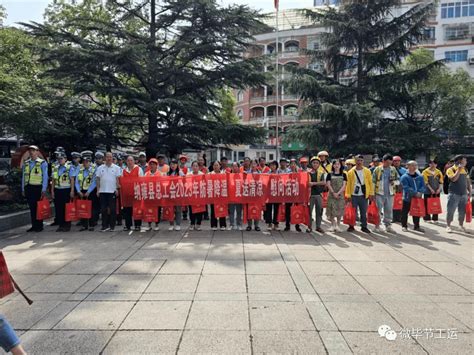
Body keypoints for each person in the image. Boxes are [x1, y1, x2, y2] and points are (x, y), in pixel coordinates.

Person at [22, 145, 48, 232]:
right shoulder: (26, 163)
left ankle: (39, 226)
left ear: (37, 152)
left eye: (33, 150)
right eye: (30, 150)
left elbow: (45, 177)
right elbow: (23, 177)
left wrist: (44, 189)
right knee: (32, 207)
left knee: (38, 207)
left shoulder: (42, 163)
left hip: (38, 187)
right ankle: (34, 225)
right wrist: (23, 188)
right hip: (29, 187)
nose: (31, 152)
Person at [345, 154, 374, 234]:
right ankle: (351, 226)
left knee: (363, 212)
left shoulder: (367, 171)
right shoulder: (351, 172)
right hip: (353, 195)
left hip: (364, 195)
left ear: (363, 161)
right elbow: (348, 184)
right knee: (352, 211)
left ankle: (364, 226)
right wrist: (348, 195)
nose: (359, 162)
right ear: (355, 161)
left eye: (361, 160)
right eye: (357, 160)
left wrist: (371, 193)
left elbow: (370, 183)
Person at [95, 152, 122, 232]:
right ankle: (104, 226)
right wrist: (97, 190)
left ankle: (112, 226)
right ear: (104, 158)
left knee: (113, 209)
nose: (109, 158)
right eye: (107, 157)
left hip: (112, 191)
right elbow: (97, 179)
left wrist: (117, 189)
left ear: (112, 158)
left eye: (110, 157)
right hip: (103, 191)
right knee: (103, 209)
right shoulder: (100, 168)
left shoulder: (116, 168)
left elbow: (118, 179)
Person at [372, 154, 399, 233]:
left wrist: (394, 182)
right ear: (383, 161)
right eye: (387, 163)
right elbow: (373, 181)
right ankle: (377, 225)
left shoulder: (393, 169)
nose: (389, 164)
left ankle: (388, 225)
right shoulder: (377, 169)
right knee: (378, 210)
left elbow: (398, 181)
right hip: (379, 193)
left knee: (388, 210)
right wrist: (372, 193)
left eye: (390, 163)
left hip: (390, 193)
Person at [445, 155, 471, 234]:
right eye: (465, 160)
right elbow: (453, 179)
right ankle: (448, 226)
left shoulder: (465, 169)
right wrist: (459, 170)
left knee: (462, 211)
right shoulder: (450, 169)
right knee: (450, 211)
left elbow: (467, 181)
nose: (466, 162)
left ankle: (460, 225)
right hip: (454, 194)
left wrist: (469, 191)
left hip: (464, 194)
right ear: (460, 161)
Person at [51, 151, 75, 232]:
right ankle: (61, 225)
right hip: (58, 190)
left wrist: (72, 191)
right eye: (58, 159)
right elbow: (53, 180)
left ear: (65, 159)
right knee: (59, 208)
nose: (60, 160)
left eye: (61, 158)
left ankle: (67, 225)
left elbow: (72, 179)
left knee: (66, 208)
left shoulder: (69, 167)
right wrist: (52, 191)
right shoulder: (56, 167)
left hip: (66, 190)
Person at [75, 151, 99, 231]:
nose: (85, 163)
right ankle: (84, 225)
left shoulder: (94, 168)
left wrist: (89, 191)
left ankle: (92, 224)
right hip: (81, 191)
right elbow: (76, 181)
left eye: (87, 161)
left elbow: (95, 181)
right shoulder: (79, 168)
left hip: (91, 191)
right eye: (84, 161)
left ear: (90, 161)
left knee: (92, 208)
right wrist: (78, 191)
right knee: (82, 207)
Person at [400, 160, 426, 233]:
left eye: (415, 165)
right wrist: (415, 193)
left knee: (416, 212)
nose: (414, 167)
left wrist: (420, 192)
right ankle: (404, 226)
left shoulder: (420, 176)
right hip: (407, 198)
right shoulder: (404, 177)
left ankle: (417, 226)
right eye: (412, 165)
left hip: (417, 198)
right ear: (407, 166)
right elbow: (406, 187)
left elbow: (423, 186)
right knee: (405, 212)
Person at [121, 155, 144, 232]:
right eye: (128, 160)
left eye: (131, 160)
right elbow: (121, 181)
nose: (130, 162)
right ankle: (128, 225)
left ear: (134, 161)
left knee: (137, 209)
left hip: (136, 193)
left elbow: (142, 180)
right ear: (126, 162)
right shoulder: (123, 170)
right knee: (127, 210)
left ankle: (137, 225)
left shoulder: (138, 169)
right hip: (126, 194)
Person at [326, 159, 347, 232]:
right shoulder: (329, 174)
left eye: (338, 164)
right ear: (333, 165)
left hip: (340, 195)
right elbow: (328, 184)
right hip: (331, 195)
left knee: (339, 210)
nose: (336, 165)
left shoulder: (343, 174)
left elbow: (344, 185)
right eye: (335, 164)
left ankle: (338, 225)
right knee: (331, 210)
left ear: (340, 165)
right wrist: (333, 193)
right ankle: (332, 225)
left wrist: (338, 193)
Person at [308, 157, 326, 233]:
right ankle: (309, 227)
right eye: (314, 162)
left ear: (319, 164)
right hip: (310, 195)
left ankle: (318, 226)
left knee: (319, 212)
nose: (315, 164)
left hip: (319, 195)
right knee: (309, 212)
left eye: (317, 163)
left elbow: (324, 182)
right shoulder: (308, 173)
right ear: (311, 163)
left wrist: (313, 183)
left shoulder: (321, 173)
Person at [422, 159, 443, 224]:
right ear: (429, 164)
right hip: (427, 191)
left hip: (436, 191)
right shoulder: (425, 172)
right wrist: (431, 189)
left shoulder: (439, 172)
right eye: (431, 163)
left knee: (436, 204)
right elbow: (426, 182)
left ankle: (435, 218)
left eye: (434, 163)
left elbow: (441, 182)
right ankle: (427, 218)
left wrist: (439, 189)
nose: (433, 165)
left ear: (436, 165)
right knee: (426, 204)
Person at [143, 158, 161, 231]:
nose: (152, 165)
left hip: (157, 194)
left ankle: (156, 224)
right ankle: (149, 224)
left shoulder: (160, 173)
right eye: (151, 164)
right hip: (148, 194)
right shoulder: (146, 174)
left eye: (153, 164)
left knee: (157, 209)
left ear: (156, 166)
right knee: (148, 209)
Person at [209, 161, 227, 231]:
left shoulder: (224, 174)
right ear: (212, 166)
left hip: (222, 194)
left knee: (222, 209)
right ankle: (214, 225)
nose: (216, 166)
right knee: (213, 210)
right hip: (213, 195)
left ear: (220, 166)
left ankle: (223, 225)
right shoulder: (210, 174)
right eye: (214, 165)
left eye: (217, 165)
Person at [167, 159, 184, 231]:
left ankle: (178, 224)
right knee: (170, 209)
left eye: (174, 164)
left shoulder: (180, 173)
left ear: (177, 165)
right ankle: (171, 224)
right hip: (170, 193)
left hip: (178, 193)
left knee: (178, 209)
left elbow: (184, 180)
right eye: (171, 164)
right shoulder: (168, 173)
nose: (173, 165)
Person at [187, 161, 204, 230]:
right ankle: (192, 223)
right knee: (191, 210)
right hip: (192, 195)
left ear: (199, 167)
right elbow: (187, 184)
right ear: (191, 167)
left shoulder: (202, 174)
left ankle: (198, 224)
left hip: (200, 195)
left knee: (200, 210)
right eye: (194, 166)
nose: (195, 167)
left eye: (196, 166)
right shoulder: (189, 174)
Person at [264, 160, 280, 231]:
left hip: (277, 194)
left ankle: (276, 223)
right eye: (271, 165)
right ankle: (269, 223)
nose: (273, 166)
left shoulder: (280, 173)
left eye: (274, 165)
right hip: (269, 193)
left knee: (277, 209)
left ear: (276, 166)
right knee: (269, 209)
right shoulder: (267, 173)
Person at [246, 160, 261, 231]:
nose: (253, 165)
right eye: (252, 163)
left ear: (257, 165)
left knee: (257, 209)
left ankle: (256, 225)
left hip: (258, 194)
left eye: (255, 163)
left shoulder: (260, 173)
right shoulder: (247, 173)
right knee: (249, 209)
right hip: (250, 194)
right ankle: (249, 225)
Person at [392, 155, 406, 223]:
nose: (396, 162)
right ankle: (393, 218)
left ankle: (400, 217)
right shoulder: (390, 169)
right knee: (392, 203)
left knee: (400, 203)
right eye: (395, 161)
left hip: (401, 189)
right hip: (392, 188)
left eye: (398, 161)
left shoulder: (404, 170)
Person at [229, 162, 243, 230]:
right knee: (231, 211)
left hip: (238, 196)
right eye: (233, 166)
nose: (234, 168)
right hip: (231, 196)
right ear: (231, 167)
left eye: (236, 166)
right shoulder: (228, 175)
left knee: (239, 211)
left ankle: (239, 224)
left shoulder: (241, 175)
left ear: (238, 167)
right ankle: (231, 224)